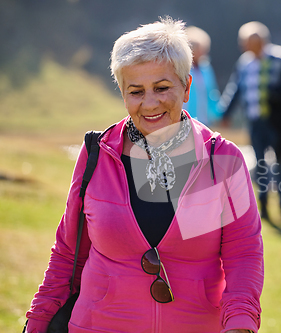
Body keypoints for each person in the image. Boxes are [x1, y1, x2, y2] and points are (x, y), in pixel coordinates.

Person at [25, 17, 263, 333]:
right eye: (135, 91)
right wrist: (38, 320)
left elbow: (243, 255)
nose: (149, 104)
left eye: (162, 88)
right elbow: (67, 253)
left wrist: (240, 324)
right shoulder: (97, 154)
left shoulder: (222, 160)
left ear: (187, 86)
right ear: (122, 92)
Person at [219, 21, 281, 220]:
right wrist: (225, 113)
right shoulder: (244, 63)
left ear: (262, 41)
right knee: (260, 163)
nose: (244, 46)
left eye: (248, 42)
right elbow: (235, 89)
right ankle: (263, 207)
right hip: (255, 121)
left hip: (278, 122)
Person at [183, 26, 222, 126]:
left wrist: (219, 114)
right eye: (200, 49)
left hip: (203, 121)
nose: (204, 53)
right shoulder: (182, 68)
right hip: (183, 121)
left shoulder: (206, 68)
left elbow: (212, 93)